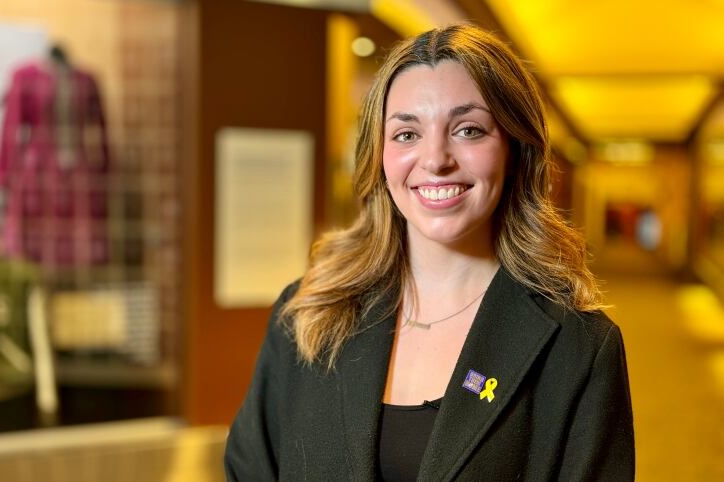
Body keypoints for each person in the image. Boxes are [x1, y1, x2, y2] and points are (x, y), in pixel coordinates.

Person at [225, 24, 635, 481]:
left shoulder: (578, 346)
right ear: (378, 156)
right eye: (406, 134)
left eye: (468, 129)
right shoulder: (308, 316)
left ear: (516, 150)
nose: (435, 158)